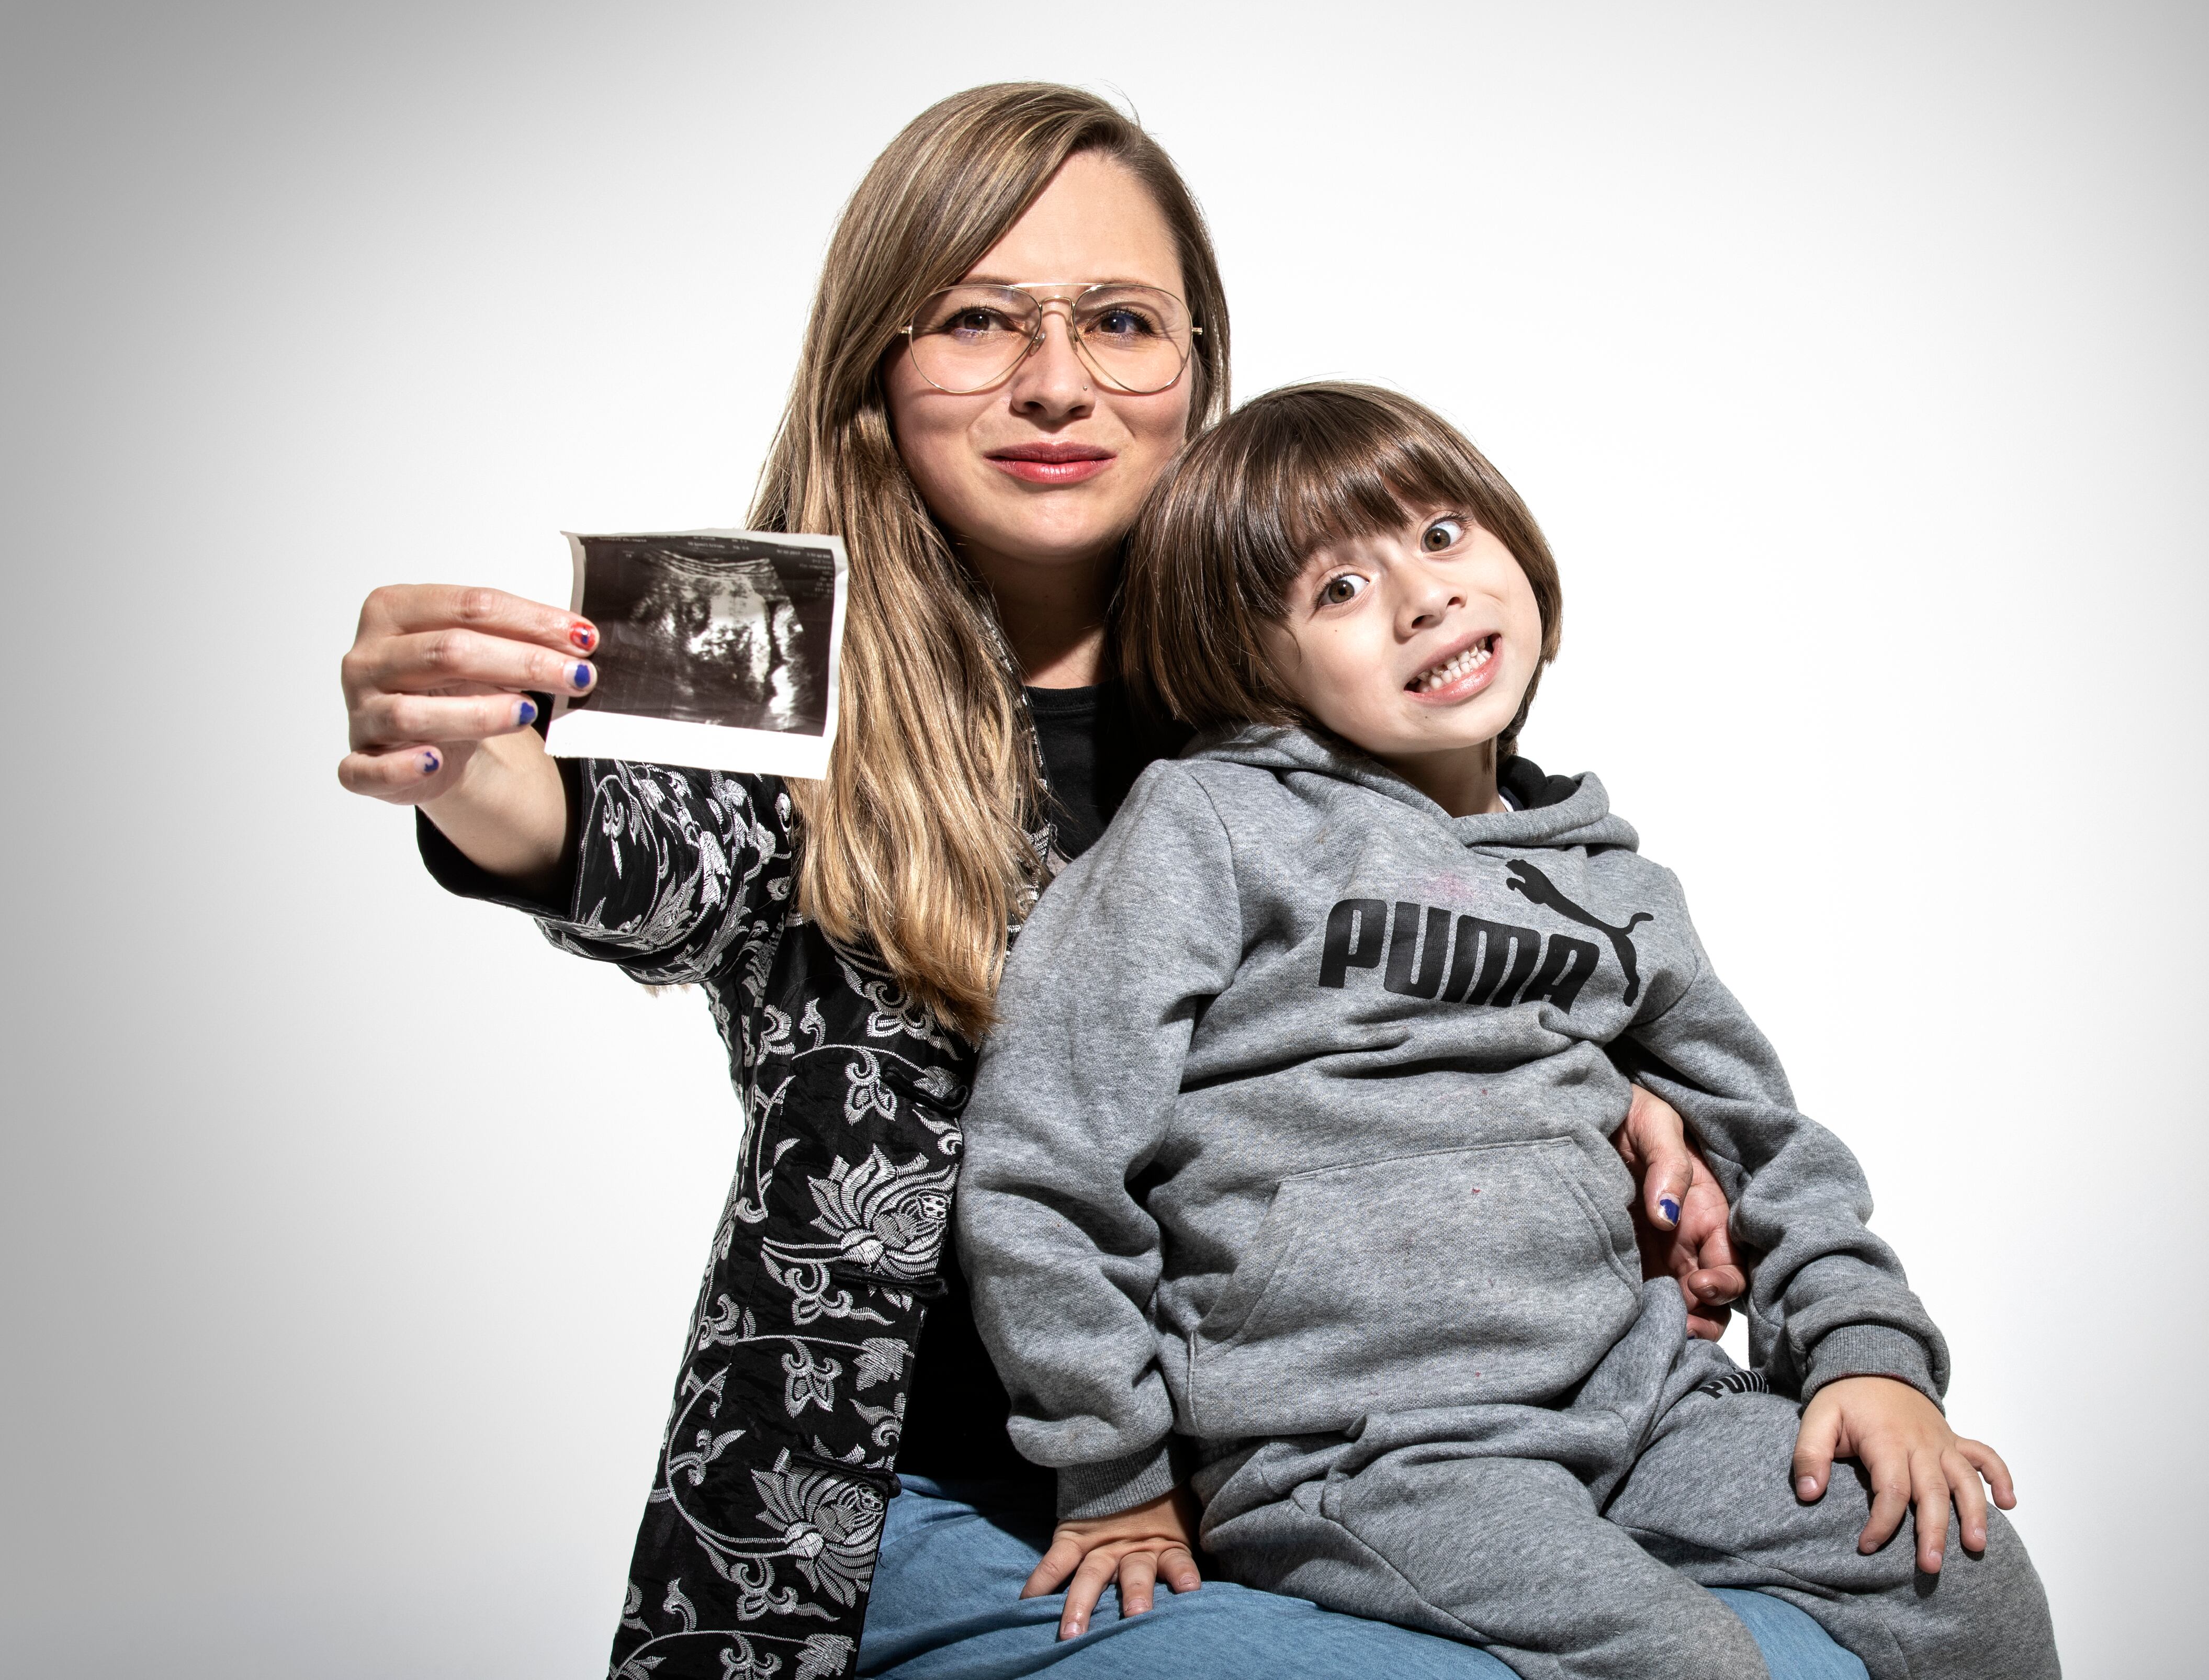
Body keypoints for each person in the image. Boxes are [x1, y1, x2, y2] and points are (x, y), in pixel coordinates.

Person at [333, 84, 1858, 1678]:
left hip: (1391, 1458)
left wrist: (1617, 1091)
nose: (1057, 383)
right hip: (956, 1508)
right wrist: (478, 770)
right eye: (981, 321)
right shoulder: (788, 678)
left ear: (1197, 364)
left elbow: (1524, 926)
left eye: (1120, 320)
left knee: (1855, 1640)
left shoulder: (1310, 660)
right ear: (879, 362)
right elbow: (636, 848)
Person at [957, 384, 2060, 1679]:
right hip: (1367, 1446)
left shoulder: (1611, 880)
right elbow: (1048, 1150)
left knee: (1962, 1574)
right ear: (1256, 668)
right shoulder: (1208, 825)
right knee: (1686, 1664)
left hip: (1644, 1400)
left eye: (1437, 533)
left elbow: (1765, 1135)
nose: (1423, 597)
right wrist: (1113, 1469)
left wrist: (1870, 1359)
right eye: (1337, 592)